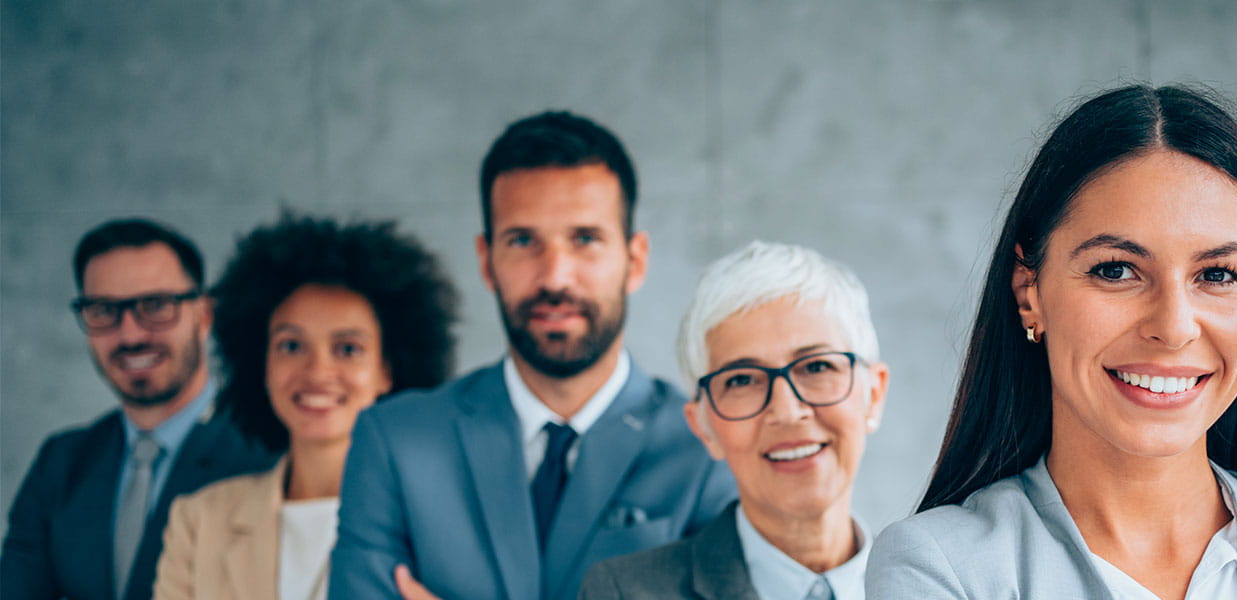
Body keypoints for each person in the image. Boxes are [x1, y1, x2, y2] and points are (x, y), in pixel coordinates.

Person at [865, 85, 1237, 599]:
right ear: (1028, 292)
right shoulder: (938, 569)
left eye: (1217, 275)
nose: (1175, 326)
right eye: (1116, 270)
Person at [331, 111, 737, 600]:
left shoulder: (710, 446)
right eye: (523, 241)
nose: (554, 277)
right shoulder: (395, 441)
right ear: (486, 261)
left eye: (584, 239)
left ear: (635, 261)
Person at [152, 215, 459, 600]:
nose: (317, 372)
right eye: (291, 346)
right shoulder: (199, 522)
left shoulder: (446, 525)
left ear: (387, 371)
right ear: (260, 362)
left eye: (348, 349)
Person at [579, 241, 890, 600]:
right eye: (742, 379)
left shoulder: (938, 584)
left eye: (817, 366)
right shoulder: (624, 592)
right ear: (702, 426)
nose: (787, 412)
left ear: (874, 395)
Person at [0, 219, 276, 600]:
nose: (130, 334)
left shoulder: (267, 454)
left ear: (204, 315)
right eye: (103, 309)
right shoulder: (61, 463)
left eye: (157, 305)